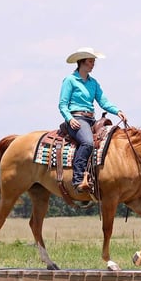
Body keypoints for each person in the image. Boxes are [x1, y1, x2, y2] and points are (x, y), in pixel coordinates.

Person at [59, 47, 126, 192]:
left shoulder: (93, 83)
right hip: (76, 118)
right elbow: (62, 104)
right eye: (90, 61)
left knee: (111, 140)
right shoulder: (70, 80)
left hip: (91, 119)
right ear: (82, 62)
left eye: (93, 61)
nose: (93, 64)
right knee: (88, 143)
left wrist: (117, 111)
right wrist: (69, 119)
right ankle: (77, 180)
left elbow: (103, 102)